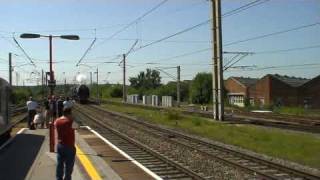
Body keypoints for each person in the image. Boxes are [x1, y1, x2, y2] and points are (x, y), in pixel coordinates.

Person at [54, 107, 76, 180]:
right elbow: (77, 126)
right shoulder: (70, 121)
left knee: (59, 164)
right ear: (69, 113)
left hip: (60, 145)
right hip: (69, 146)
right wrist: (72, 118)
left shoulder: (57, 121)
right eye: (71, 113)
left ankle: (58, 178)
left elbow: (55, 125)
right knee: (69, 166)